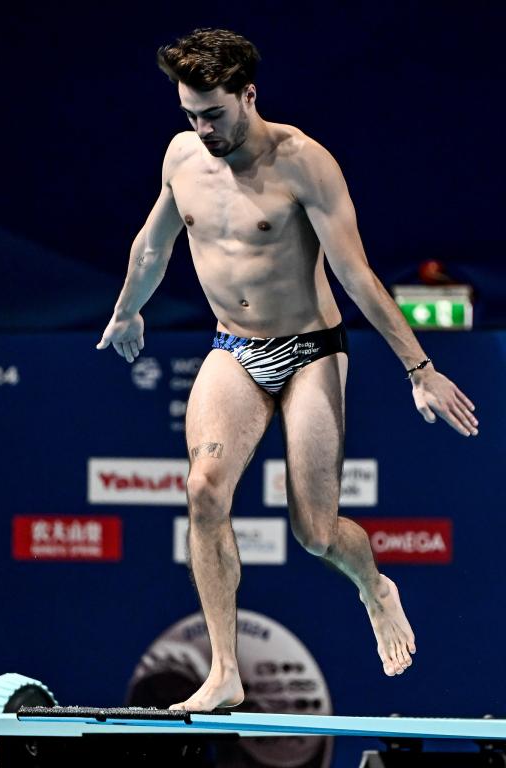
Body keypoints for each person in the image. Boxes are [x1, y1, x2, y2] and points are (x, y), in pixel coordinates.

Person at [97, 28, 479, 712]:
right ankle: (223, 672)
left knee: (315, 531)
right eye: (190, 113)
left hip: (310, 351)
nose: (202, 127)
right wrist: (127, 312)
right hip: (232, 349)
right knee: (205, 491)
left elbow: (356, 276)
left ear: (249, 94)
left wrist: (418, 367)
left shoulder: (304, 163)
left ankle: (373, 587)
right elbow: (153, 243)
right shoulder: (183, 156)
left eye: (214, 112)